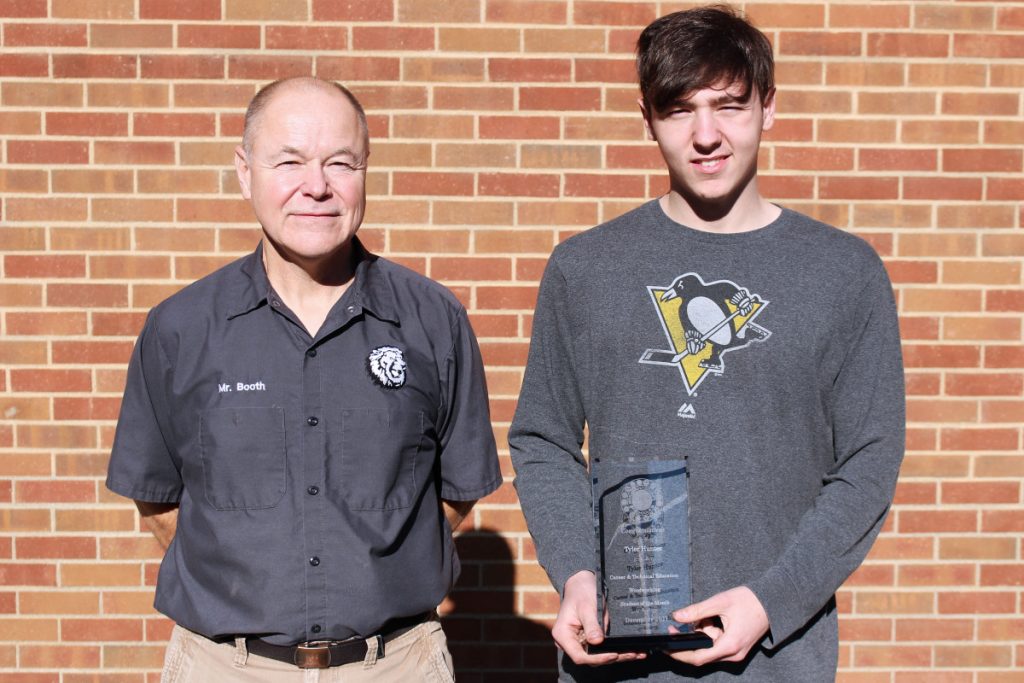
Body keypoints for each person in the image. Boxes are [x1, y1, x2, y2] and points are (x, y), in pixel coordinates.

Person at [509, 5, 905, 681]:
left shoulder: (842, 271)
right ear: (647, 117)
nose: (706, 135)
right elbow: (542, 439)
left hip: (776, 660)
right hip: (621, 658)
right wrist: (576, 570)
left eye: (729, 106)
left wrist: (769, 600)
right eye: (678, 110)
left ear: (768, 108)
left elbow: (869, 460)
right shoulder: (585, 267)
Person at [106, 76, 502, 681]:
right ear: (245, 172)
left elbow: (457, 491)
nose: (315, 186)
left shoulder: (432, 321)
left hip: (394, 667)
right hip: (226, 668)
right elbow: (158, 499)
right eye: (289, 161)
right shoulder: (180, 330)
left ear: (365, 171)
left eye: (340, 163)